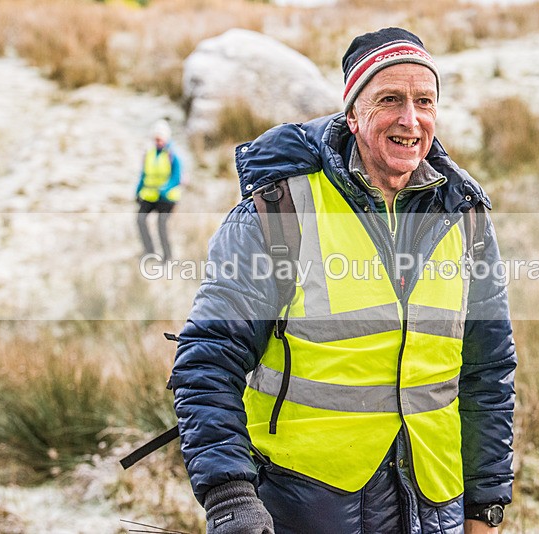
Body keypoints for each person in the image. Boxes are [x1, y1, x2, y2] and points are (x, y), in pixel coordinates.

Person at [170, 28, 516, 534]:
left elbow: (488, 372)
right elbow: (208, 359)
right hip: (304, 509)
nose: (410, 119)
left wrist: (484, 506)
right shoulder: (280, 210)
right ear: (352, 115)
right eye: (389, 100)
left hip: (435, 507)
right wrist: (231, 498)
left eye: (424, 101)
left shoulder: (465, 216)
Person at [135, 119, 181, 261]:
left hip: (167, 198)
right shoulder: (149, 154)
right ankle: (149, 252)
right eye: (156, 139)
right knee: (140, 220)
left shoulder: (173, 155)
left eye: (160, 138)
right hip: (149, 196)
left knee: (161, 224)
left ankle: (167, 256)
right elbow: (144, 175)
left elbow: (177, 177)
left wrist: (165, 189)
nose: (158, 141)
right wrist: (137, 191)